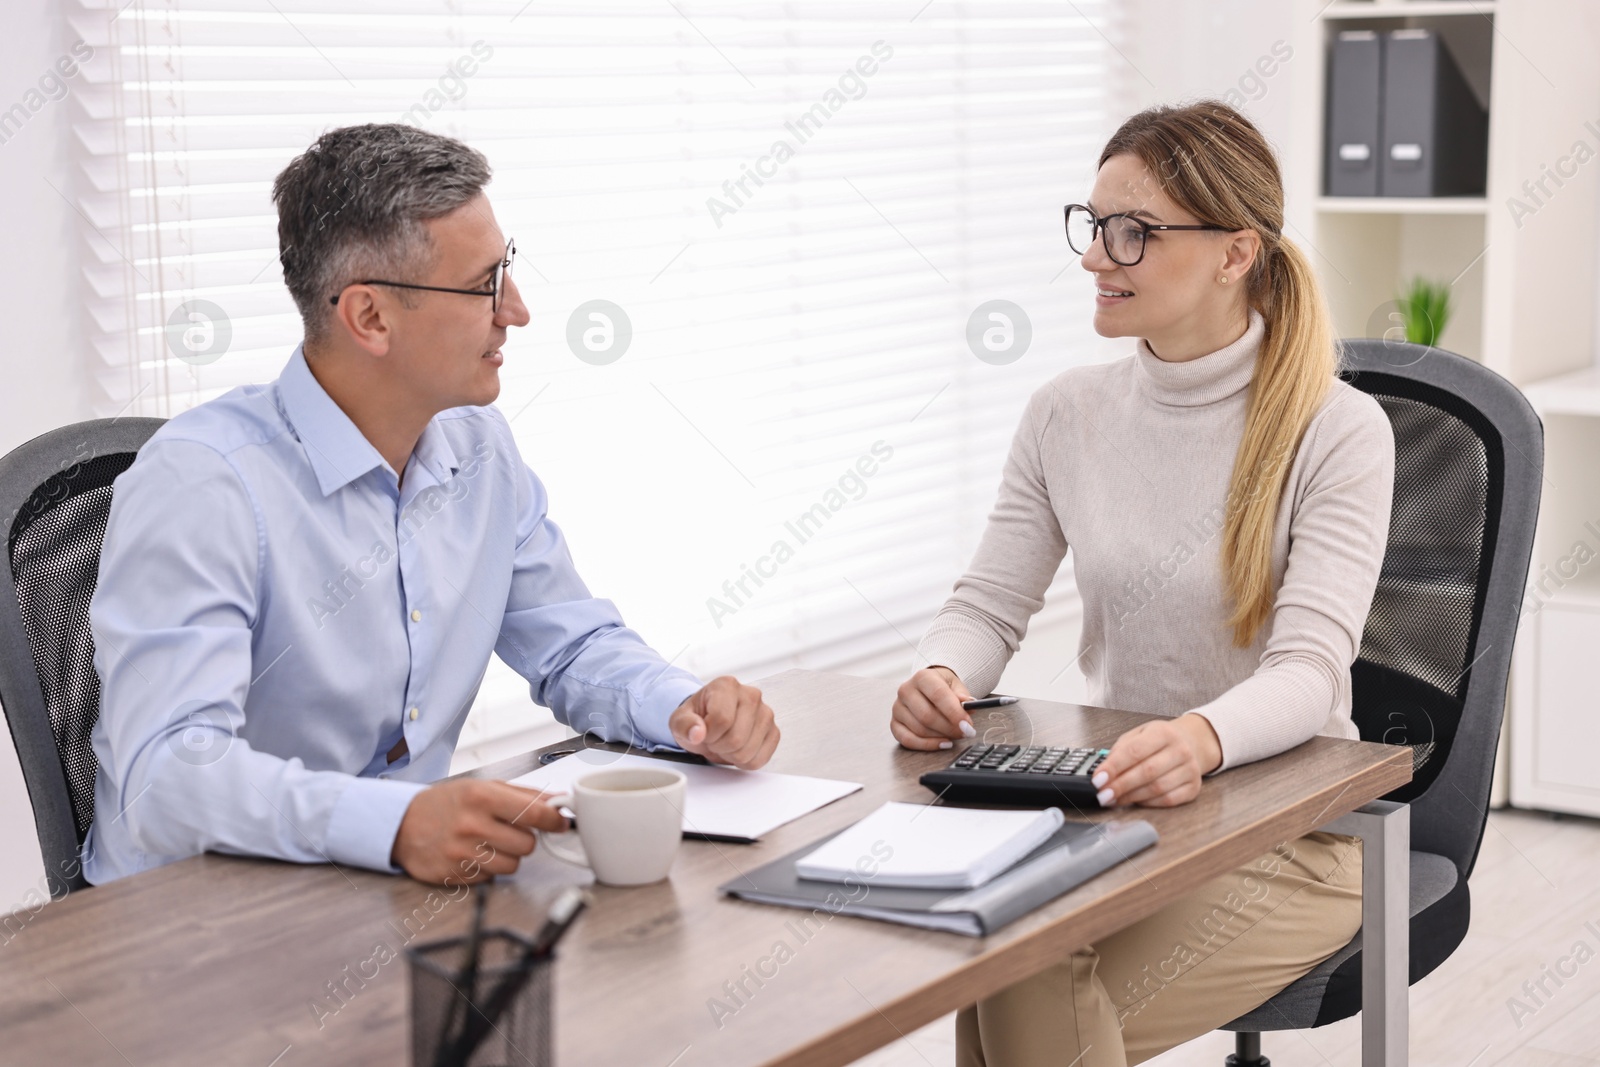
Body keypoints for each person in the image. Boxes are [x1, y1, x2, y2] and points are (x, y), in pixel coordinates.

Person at [84, 123, 780, 888]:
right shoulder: (202, 486)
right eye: (483, 283)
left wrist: (684, 707)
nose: (515, 310)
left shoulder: (476, 448)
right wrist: (397, 821)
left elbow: (571, 646)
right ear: (370, 317)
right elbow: (169, 773)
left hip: (384, 890)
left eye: (505, 269)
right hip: (190, 926)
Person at [890, 101, 1395, 1065]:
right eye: (1092, 225)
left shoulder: (1338, 429)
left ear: (1234, 253)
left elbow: (1310, 670)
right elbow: (989, 603)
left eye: (1133, 232)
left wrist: (1203, 739)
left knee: (1024, 984)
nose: (1094, 258)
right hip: (1127, 806)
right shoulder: (1066, 413)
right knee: (1001, 945)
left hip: (1296, 834)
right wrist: (942, 674)